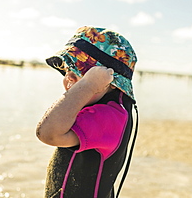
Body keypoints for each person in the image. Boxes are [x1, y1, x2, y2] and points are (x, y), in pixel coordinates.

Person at [36, 26, 138, 198]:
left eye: (76, 75)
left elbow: (47, 133)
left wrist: (88, 85)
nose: (67, 80)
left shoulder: (109, 117)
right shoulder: (94, 108)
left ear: (109, 83)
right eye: (66, 72)